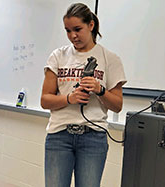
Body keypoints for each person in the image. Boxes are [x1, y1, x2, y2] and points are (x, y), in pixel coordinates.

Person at [40, 3, 127, 187]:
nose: (73, 36)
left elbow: (117, 105)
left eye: (77, 29)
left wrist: (100, 90)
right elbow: (45, 100)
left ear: (91, 25)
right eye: (68, 31)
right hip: (59, 135)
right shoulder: (58, 56)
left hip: (93, 138)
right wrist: (69, 99)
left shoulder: (110, 59)